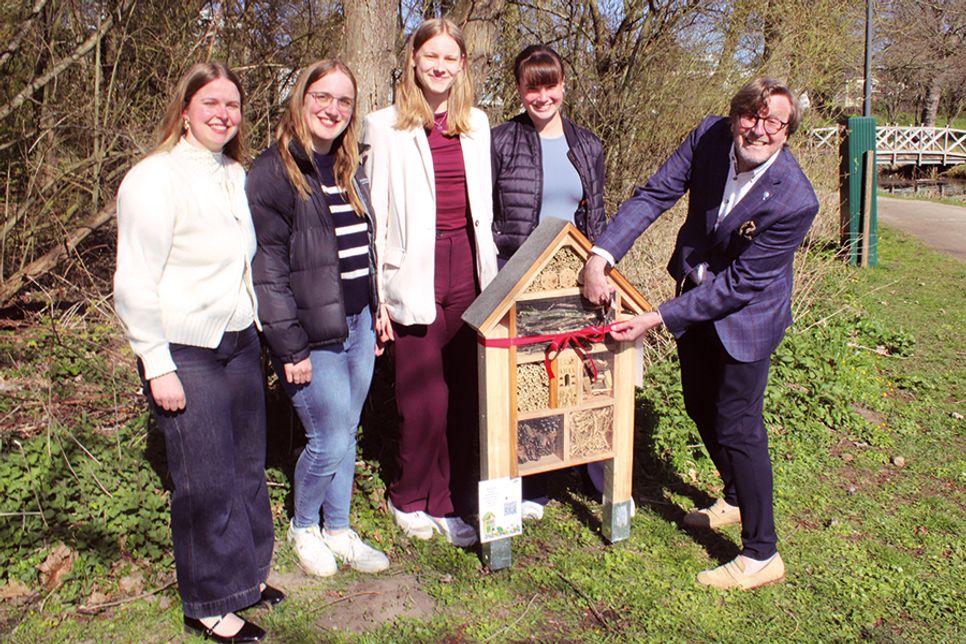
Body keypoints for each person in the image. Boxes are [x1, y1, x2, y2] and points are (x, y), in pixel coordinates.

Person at [580, 78, 819, 590]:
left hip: (747, 316)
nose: (758, 130)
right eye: (750, 117)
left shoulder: (797, 200)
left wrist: (657, 318)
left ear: (787, 131)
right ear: (734, 116)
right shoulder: (710, 136)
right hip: (694, 290)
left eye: (774, 121)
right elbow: (655, 194)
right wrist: (602, 254)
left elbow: (740, 286)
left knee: (738, 423)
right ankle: (733, 497)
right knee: (697, 404)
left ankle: (761, 554)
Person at [113, 62, 277, 642]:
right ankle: (210, 601)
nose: (222, 114)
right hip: (185, 348)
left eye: (232, 105)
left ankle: (250, 576)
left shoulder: (235, 174)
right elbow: (133, 280)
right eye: (210, 103)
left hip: (238, 340)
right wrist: (157, 364)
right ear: (185, 110)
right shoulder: (153, 179)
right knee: (205, 478)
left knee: (246, 468)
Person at [246, 60, 390, 578]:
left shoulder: (352, 165)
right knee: (328, 436)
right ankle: (304, 526)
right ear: (301, 99)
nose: (333, 109)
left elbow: (364, 248)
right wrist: (289, 348)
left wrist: (378, 308)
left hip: (358, 323)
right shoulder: (274, 171)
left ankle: (338, 528)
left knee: (346, 430)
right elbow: (267, 271)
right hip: (310, 334)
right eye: (322, 97)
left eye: (344, 101)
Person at [362, 17, 499, 547]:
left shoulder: (476, 124)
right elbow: (373, 215)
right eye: (431, 56)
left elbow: (482, 208)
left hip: (467, 267)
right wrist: (376, 298)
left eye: (450, 58)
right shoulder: (384, 124)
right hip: (411, 272)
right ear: (413, 61)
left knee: (463, 395)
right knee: (423, 399)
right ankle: (407, 495)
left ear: (462, 65)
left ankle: (445, 503)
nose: (440, 66)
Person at [490, 44, 607, 520]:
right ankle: (530, 485)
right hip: (516, 278)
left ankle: (599, 477)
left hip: (571, 278)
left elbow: (597, 215)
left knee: (583, 374)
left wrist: (603, 270)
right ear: (519, 89)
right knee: (528, 381)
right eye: (531, 86)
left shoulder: (588, 145)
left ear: (563, 85)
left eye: (550, 85)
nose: (542, 96)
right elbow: (486, 216)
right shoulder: (499, 142)